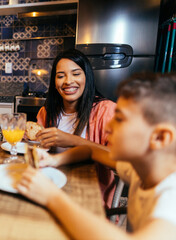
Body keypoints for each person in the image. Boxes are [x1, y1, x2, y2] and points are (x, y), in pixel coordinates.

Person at [17, 73, 176, 238]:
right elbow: (91, 150)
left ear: (160, 137)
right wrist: (54, 160)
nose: (108, 128)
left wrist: (52, 197)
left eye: (119, 119)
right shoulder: (139, 170)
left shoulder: (171, 199)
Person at [34, 48, 116, 208]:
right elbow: (38, 148)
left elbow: (118, 161)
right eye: (60, 76)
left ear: (87, 77)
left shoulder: (105, 110)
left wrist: (72, 140)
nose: (68, 81)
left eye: (76, 73)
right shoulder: (47, 112)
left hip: (87, 196)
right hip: (50, 187)